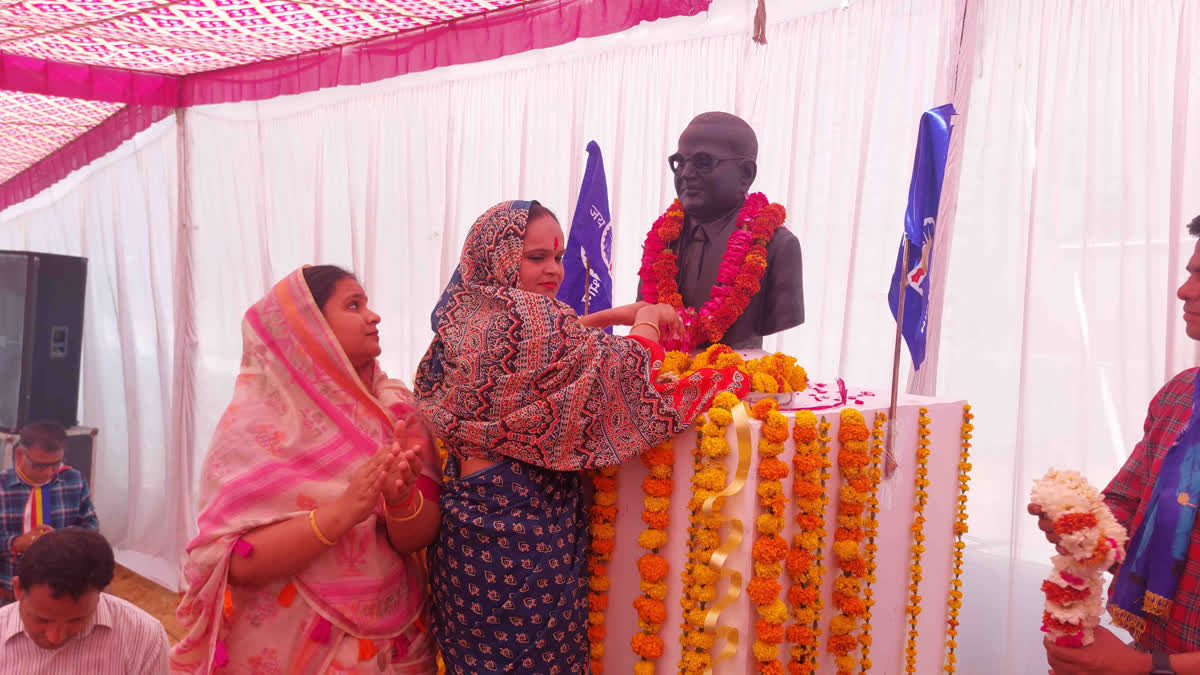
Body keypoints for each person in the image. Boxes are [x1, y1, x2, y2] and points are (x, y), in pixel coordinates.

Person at [414, 200, 749, 673]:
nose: (553, 270)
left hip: (467, 531)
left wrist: (617, 314)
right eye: (536, 258)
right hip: (520, 528)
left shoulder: (466, 315)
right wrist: (647, 319)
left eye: (559, 257)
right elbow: (625, 377)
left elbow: (553, 349)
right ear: (500, 255)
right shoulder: (533, 321)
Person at [172, 266, 441, 674]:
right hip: (286, 646)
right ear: (309, 327)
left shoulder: (396, 411)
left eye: (366, 303)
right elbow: (232, 561)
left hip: (391, 644)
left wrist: (401, 502)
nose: (374, 316)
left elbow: (417, 539)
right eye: (354, 305)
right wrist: (342, 513)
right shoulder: (254, 425)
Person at [1032, 217, 1200, 674]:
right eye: (1190, 272)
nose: (1185, 291)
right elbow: (1126, 505)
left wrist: (1150, 669)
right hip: (1152, 648)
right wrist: (1079, 527)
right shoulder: (1180, 395)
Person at [637, 111, 804, 350]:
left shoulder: (778, 246)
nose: (685, 173)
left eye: (703, 162)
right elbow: (645, 310)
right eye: (680, 162)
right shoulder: (662, 242)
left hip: (741, 378)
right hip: (665, 376)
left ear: (746, 174)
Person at [0, 527, 169, 673]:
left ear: (102, 592)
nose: (55, 637)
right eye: (42, 619)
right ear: (18, 589)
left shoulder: (144, 638)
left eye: (77, 619)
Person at [0, 420, 98, 604]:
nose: (49, 473)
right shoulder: (2, 487)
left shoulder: (74, 480)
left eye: (55, 464)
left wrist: (68, 538)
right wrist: (16, 543)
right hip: (9, 592)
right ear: (20, 454)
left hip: (62, 587)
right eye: (39, 465)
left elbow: (90, 525)